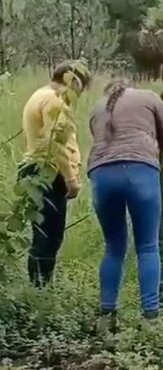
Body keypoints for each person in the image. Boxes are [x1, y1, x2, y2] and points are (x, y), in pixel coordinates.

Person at [88, 79, 163, 324]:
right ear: (130, 86)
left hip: (101, 174)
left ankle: (107, 314)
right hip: (141, 171)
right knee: (148, 246)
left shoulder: (98, 107)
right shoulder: (149, 97)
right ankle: (151, 316)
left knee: (113, 246)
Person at [20, 61, 91, 287]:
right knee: (49, 236)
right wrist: (71, 179)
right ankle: (40, 290)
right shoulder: (54, 100)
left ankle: (39, 287)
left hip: (37, 170)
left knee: (44, 234)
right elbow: (56, 144)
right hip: (47, 172)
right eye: (80, 86)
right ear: (72, 80)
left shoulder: (39, 95)